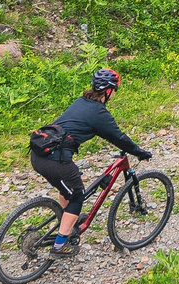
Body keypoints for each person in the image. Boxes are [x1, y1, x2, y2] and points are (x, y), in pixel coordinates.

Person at [29, 67, 152, 255]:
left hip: (39, 154)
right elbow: (119, 138)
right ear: (109, 91)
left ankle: (69, 221)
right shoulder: (99, 114)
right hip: (55, 160)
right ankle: (60, 245)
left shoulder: (81, 101)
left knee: (68, 187)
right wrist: (140, 152)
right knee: (77, 195)